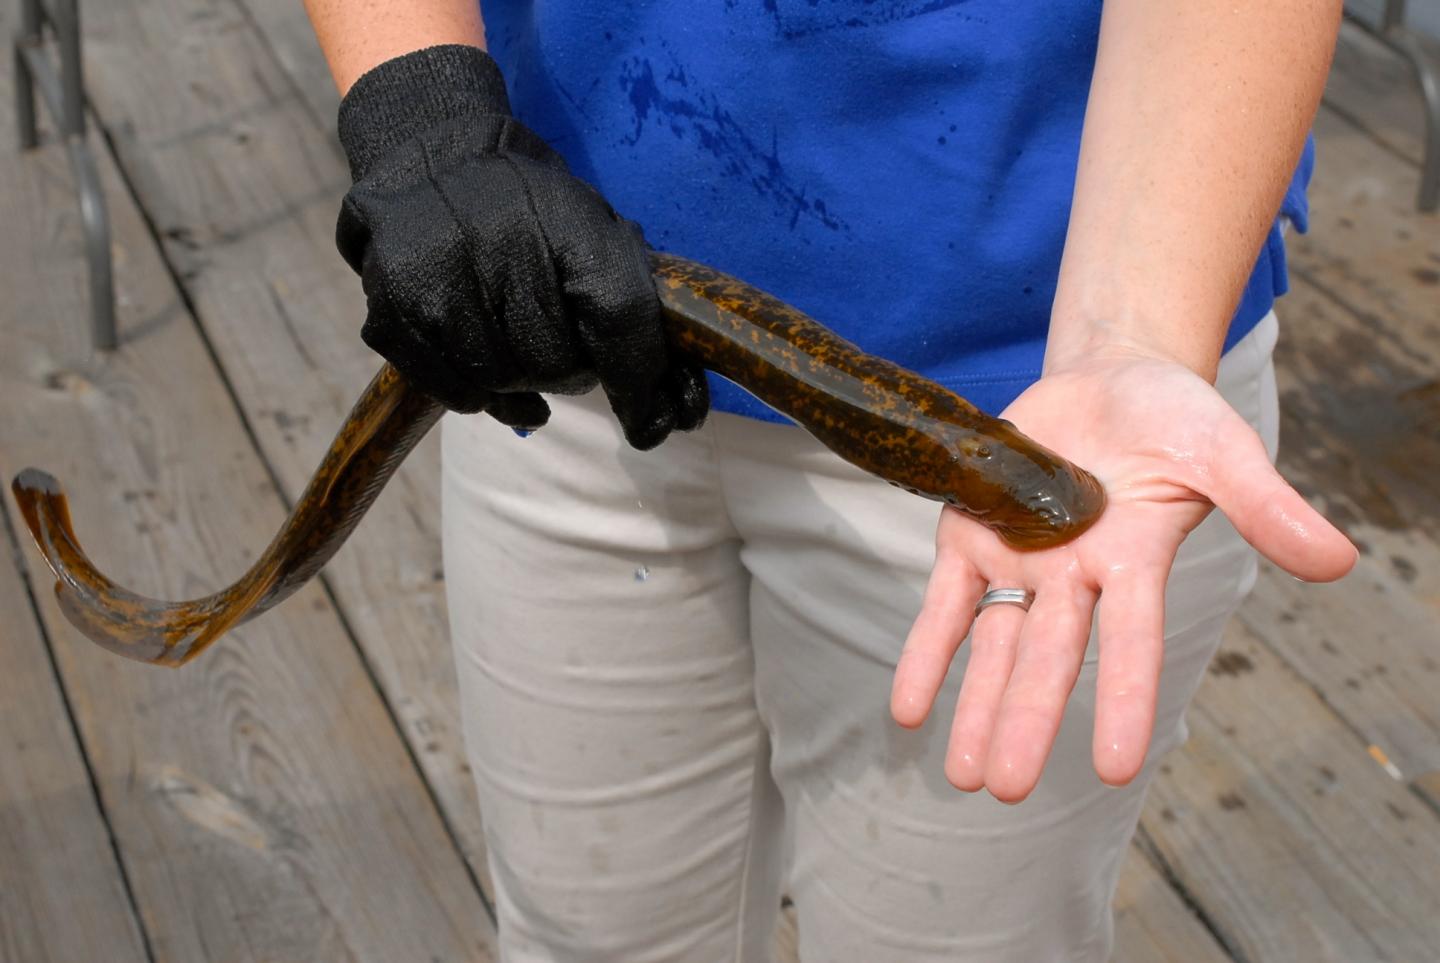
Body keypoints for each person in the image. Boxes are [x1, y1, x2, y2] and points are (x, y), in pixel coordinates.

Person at [303, 2, 1358, 959]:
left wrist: (1131, 337)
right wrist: (423, 114)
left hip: (1050, 372)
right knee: (582, 931)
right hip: (550, 302)